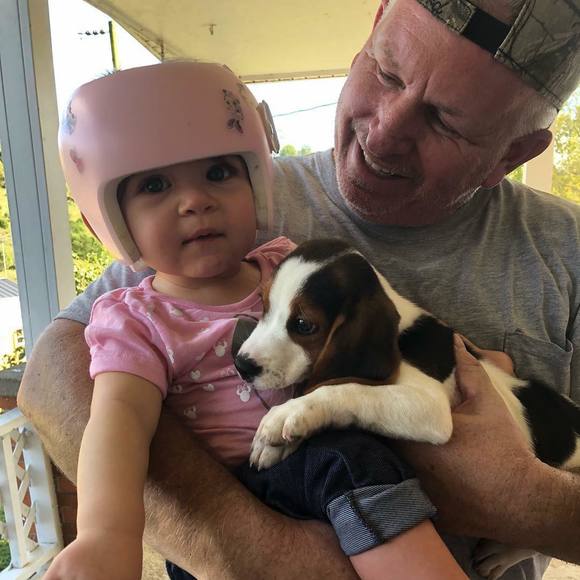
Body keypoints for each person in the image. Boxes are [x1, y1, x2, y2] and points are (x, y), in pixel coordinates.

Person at [18, 0, 580, 578]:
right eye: (387, 72)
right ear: (371, 29)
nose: (384, 133)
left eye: (445, 121)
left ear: (512, 154)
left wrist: (526, 504)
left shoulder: (565, 249)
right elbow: (58, 378)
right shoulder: (217, 223)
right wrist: (258, 552)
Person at [43, 61, 466, 580]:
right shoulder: (137, 321)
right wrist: (106, 533)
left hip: (329, 470)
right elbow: (119, 422)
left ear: (258, 180)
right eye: (154, 184)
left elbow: (384, 326)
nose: (195, 201)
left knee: (359, 456)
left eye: (219, 173)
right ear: (108, 218)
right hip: (243, 495)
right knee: (349, 458)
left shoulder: (286, 265)